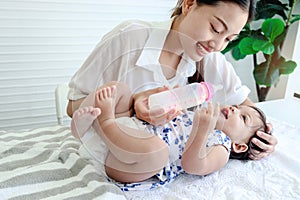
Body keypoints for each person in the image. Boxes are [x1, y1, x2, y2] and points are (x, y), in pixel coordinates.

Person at [67, 0, 277, 160]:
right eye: (215, 29)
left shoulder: (210, 58)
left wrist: (263, 138)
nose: (218, 45)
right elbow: (73, 105)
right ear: (189, 4)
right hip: (109, 154)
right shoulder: (129, 37)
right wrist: (134, 105)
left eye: (229, 39)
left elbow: (246, 108)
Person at [70, 82, 268, 190]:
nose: (234, 109)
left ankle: (104, 123)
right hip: (129, 130)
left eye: (243, 117)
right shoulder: (197, 113)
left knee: (157, 152)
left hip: (127, 162)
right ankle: (87, 128)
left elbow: (193, 165)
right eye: (237, 107)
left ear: (240, 146)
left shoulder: (221, 148)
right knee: (119, 89)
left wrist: (202, 130)